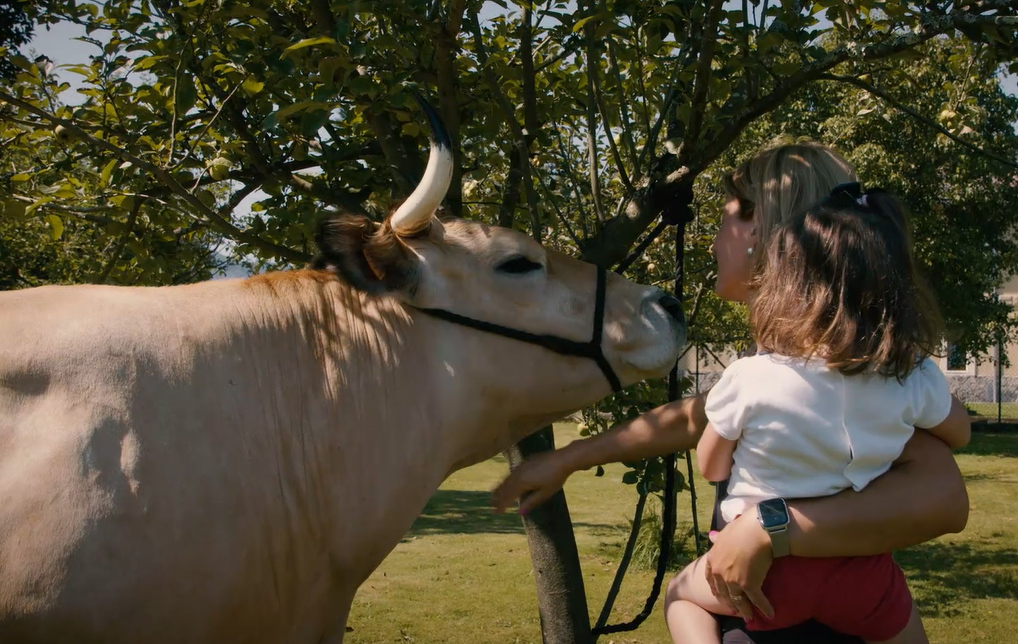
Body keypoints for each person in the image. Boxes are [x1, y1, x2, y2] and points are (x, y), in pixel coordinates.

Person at [490, 141, 971, 643]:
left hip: (792, 617)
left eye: (723, 223)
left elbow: (944, 499)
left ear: (759, 231)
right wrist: (570, 458)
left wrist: (769, 526)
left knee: (682, 595)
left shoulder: (789, 377)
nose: (712, 241)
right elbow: (689, 417)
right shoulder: (872, 372)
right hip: (853, 607)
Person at [664, 184, 971, 644]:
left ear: (788, 286)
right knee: (904, 629)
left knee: (681, 597)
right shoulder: (911, 376)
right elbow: (960, 433)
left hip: (767, 578)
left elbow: (711, 466)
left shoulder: (749, 377)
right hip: (860, 573)